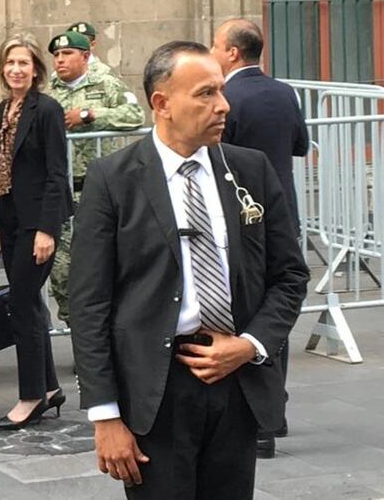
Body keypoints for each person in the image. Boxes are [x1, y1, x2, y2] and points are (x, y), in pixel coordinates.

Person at [69, 41, 309, 499]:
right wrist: (105, 414)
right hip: (155, 393)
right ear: (162, 104)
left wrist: (249, 345)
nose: (223, 105)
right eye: (205, 94)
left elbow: (289, 275)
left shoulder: (249, 170)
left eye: (221, 90)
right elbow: (89, 303)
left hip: (236, 385)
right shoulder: (114, 179)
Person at [210, 17, 309, 458]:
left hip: (241, 217)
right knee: (278, 310)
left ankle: (260, 427)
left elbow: (215, 155)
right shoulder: (284, 92)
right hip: (284, 209)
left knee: (248, 311)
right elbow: (300, 145)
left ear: (232, 52)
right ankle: (276, 413)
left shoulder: (226, 98)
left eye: (216, 45)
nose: (213, 52)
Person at [0, 34, 73, 429]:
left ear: (36, 69)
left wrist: (47, 229)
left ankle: (30, 396)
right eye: (10, 63)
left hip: (37, 223)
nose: (16, 70)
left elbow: (58, 173)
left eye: (23, 63)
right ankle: (51, 388)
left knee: (22, 305)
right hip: (10, 220)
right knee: (30, 304)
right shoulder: (6, 108)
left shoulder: (48, 110)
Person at [47, 30, 145, 329]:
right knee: (61, 271)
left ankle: (99, 332)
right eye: (57, 56)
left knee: (99, 266)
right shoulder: (50, 91)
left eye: (67, 55)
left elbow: (134, 114)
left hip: (96, 191)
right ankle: (79, 326)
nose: (60, 61)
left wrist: (89, 114)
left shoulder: (105, 83)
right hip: (61, 193)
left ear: (85, 57)